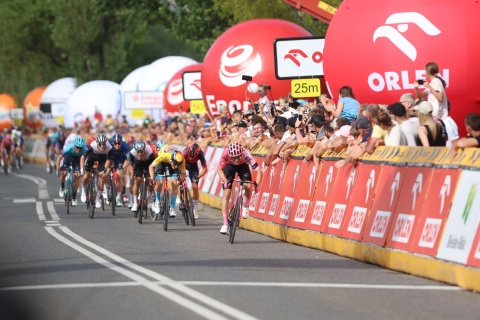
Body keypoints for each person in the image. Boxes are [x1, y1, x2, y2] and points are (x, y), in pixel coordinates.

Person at [217, 142, 262, 234]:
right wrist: (226, 181)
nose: (236, 159)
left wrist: (257, 184)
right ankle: (225, 224)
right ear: (230, 155)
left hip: (243, 166)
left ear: (241, 153)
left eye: (238, 157)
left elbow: (259, 170)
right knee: (226, 193)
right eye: (234, 157)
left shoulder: (246, 153)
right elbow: (219, 169)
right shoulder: (225, 153)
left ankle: (245, 206)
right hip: (229, 166)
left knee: (247, 185)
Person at [149, 144, 186, 218]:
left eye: (177, 165)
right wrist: (153, 178)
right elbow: (151, 166)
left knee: (175, 184)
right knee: (159, 182)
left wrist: (179, 180)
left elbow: (183, 174)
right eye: (175, 164)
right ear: (171, 159)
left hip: (173, 158)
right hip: (163, 162)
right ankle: (157, 201)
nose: (175, 166)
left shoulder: (181, 160)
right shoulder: (163, 156)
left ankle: (172, 208)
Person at [80, 133, 113, 208]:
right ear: (97, 143)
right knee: (86, 176)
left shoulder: (109, 147)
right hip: (92, 156)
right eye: (100, 144)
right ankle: (84, 190)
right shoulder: (92, 145)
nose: (102, 146)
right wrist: (82, 169)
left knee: (102, 176)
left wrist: (104, 169)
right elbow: (82, 157)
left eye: (103, 144)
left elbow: (108, 160)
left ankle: (97, 199)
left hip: (102, 158)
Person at [125, 140, 155, 212]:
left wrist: (152, 177)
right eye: (138, 152)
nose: (140, 154)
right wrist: (132, 174)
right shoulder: (132, 153)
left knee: (150, 180)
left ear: (144, 149)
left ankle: (150, 199)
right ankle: (135, 203)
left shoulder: (150, 152)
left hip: (148, 163)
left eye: (141, 152)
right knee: (136, 181)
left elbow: (152, 166)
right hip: (138, 163)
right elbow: (131, 165)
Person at [55, 137, 87, 207]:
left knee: (77, 175)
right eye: (77, 147)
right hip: (68, 157)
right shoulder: (69, 147)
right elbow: (59, 158)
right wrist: (57, 169)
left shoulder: (84, 149)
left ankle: (74, 198)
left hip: (78, 160)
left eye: (80, 148)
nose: (78, 149)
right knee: (64, 173)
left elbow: (86, 160)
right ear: (74, 146)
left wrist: (83, 169)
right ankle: (62, 186)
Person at [182, 143, 208, 218]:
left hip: (193, 166)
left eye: (192, 157)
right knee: (179, 179)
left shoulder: (200, 153)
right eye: (190, 156)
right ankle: (181, 194)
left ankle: (195, 207)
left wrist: (198, 177)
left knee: (195, 186)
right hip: (183, 163)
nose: (190, 158)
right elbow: (178, 164)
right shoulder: (185, 152)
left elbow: (205, 168)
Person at [106, 134, 129, 206]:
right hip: (110, 158)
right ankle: (106, 189)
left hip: (120, 159)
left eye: (118, 143)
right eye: (115, 143)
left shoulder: (125, 147)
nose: (117, 145)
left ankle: (118, 197)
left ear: (121, 143)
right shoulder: (108, 146)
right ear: (112, 143)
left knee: (119, 175)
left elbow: (127, 160)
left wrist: (122, 168)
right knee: (106, 172)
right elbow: (105, 158)